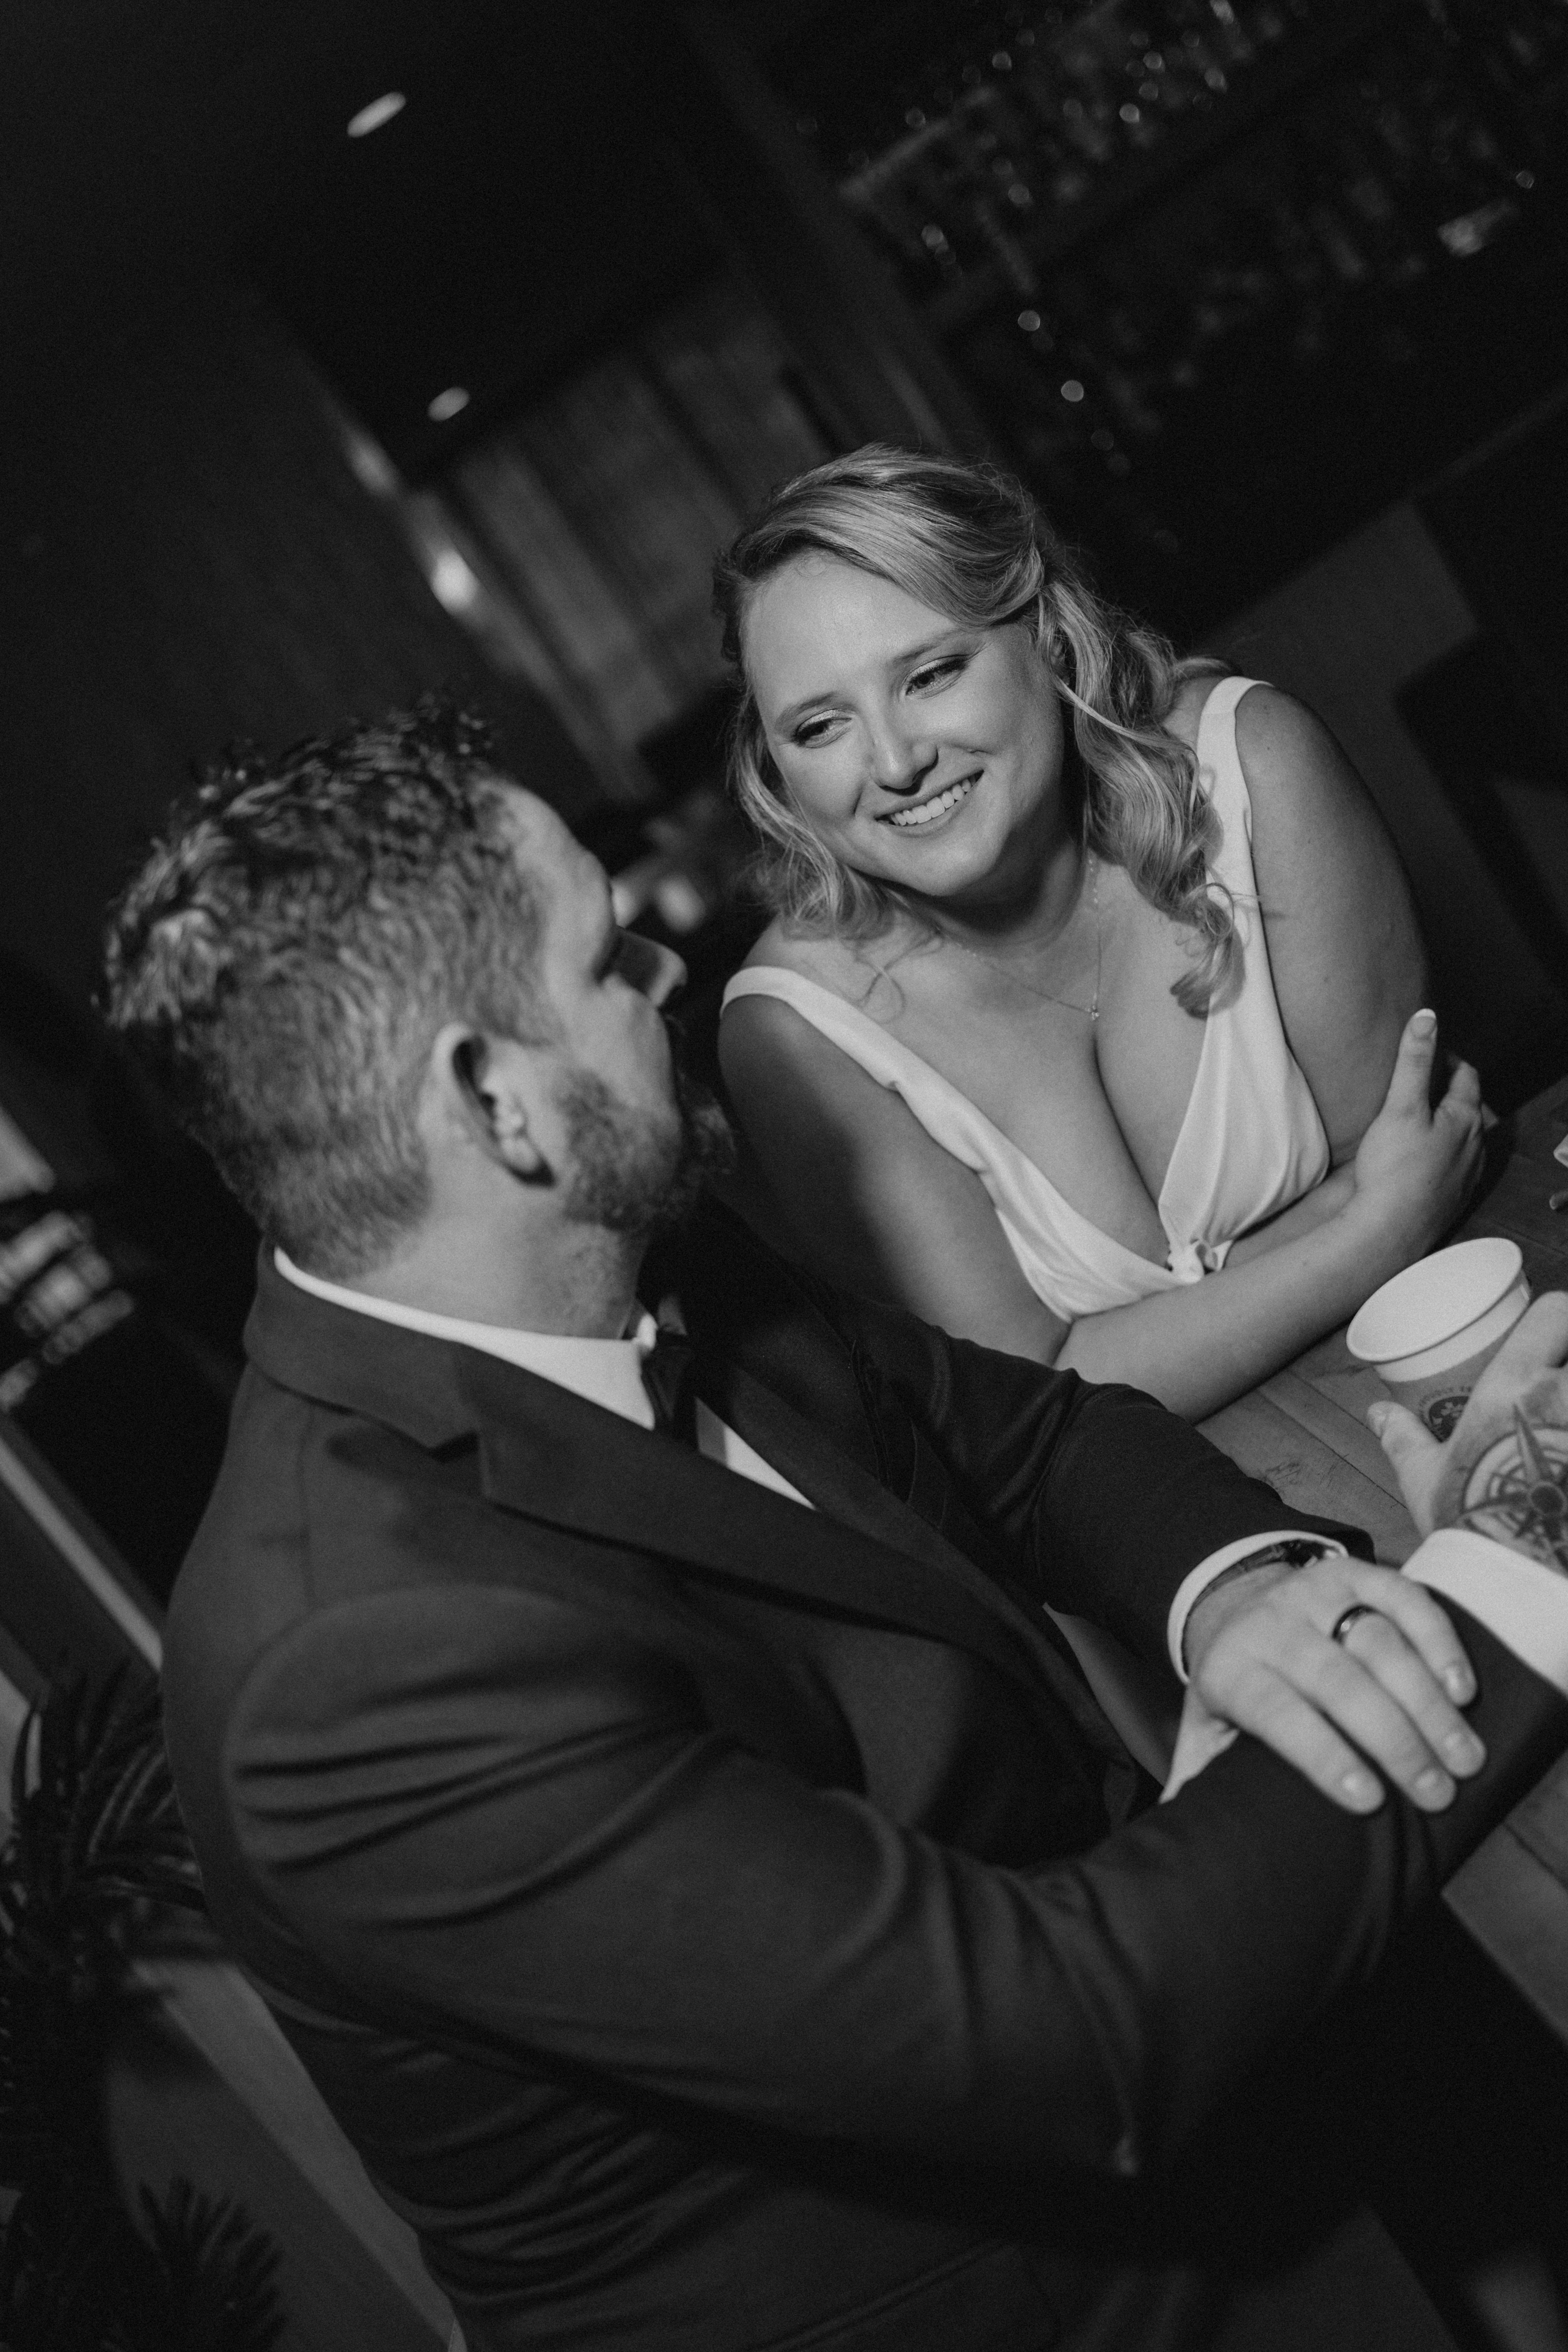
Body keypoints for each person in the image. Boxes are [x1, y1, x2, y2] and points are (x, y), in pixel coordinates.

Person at [102, 702, 1568, 2352]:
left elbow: (1022, 1434)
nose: (666, 974)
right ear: (497, 1104)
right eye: (606, 959)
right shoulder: (351, 1671)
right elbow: (1072, 2032)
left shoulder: (630, 1242)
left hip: (1232, 2078)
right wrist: (1530, 1545)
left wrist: (1235, 1595)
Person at [715, 446, 1483, 1425]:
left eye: (932, 673)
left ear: (1048, 635)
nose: (897, 761)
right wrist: (1368, 1233)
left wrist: (1134, 1344)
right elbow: (1029, 1414)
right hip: (1164, 1541)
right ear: (774, 769)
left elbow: (1418, 1160)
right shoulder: (795, 1034)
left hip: (1434, 1385)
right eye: (820, 728)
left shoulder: (1251, 769)